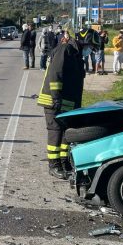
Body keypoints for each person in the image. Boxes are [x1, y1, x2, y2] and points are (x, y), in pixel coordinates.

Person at [37, 29, 86, 179]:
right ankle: (54, 164)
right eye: (88, 45)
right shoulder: (65, 50)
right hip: (54, 100)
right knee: (55, 131)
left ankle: (65, 162)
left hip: (68, 102)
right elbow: (55, 74)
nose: (89, 49)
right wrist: (56, 97)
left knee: (66, 132)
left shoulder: (75, 55)